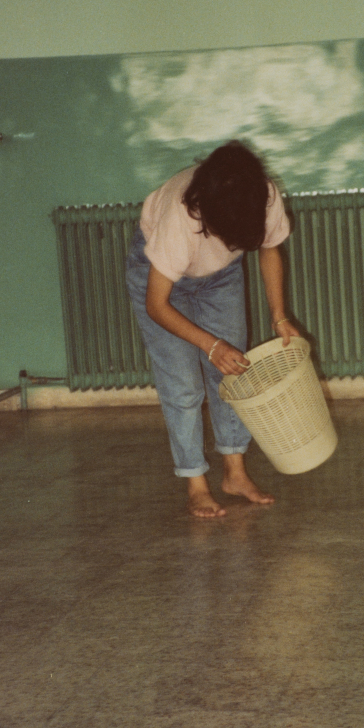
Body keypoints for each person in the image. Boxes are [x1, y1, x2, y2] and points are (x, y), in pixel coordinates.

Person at [126, 140, 300, 518]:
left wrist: (279, 316)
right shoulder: (181, 216)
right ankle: (196, 484)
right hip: (158, 281)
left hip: (219, 279)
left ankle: (235, 474)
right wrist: (211, 345)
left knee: (232, 374)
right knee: (184, 385)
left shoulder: (262, 194)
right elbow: (158, 305)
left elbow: (270, 248)